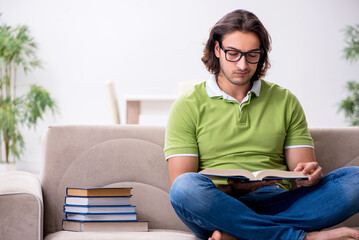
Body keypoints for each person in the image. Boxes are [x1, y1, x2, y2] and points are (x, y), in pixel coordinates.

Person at [164, 9, 359, 240]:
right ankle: (301, 237)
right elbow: (181, 181)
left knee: (355, 179)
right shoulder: (187, 105)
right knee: (185, 189)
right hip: (220, 205)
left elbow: (302, 173)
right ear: (217, 49)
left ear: (262, 54)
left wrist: (309, 174)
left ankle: (239, 234)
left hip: (278, 202)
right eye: (233, 54)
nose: (243, 64)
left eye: (252, 55)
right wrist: (231, 189)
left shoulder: (284, 100)